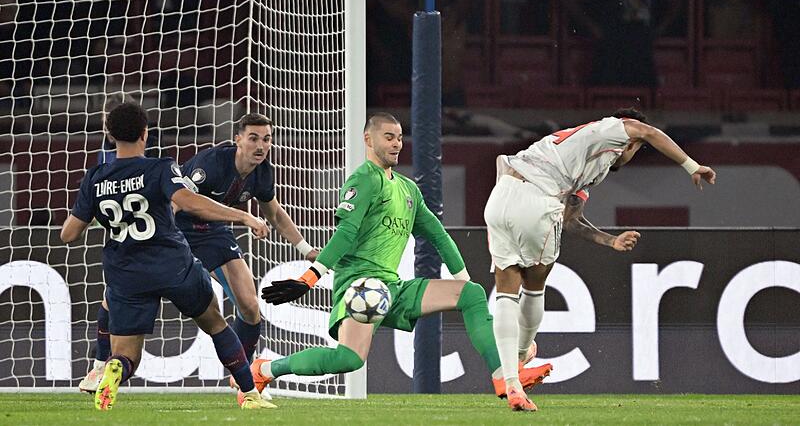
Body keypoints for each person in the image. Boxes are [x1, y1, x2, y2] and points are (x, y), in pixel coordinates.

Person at [260, 113, 553, 412]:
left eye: (399, 137)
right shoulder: (363, 180)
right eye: (388, 137)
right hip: (361, 288)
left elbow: (439, 237)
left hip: (392, 287)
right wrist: (310, 278)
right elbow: (345, 234)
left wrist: (462, 280)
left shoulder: (408, 189)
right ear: (368, 139)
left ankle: (506, 378)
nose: (397, 144)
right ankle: (266, 370)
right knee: (348, 360)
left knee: (473, 293)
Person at [484, 108, 716, 412]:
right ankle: (521, 356)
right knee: (534, 284)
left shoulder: (586, 158)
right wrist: (692, 166)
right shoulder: (611, 130)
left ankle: (511, 377)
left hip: (501, 196)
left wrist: (612, 240)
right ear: (630, 141)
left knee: (505, 288)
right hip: (538, 198)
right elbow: (646, 130)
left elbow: (571, 220)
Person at [79, 112, 318, 393]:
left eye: (267, 139)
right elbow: (179, 203)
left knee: (251, 307)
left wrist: (306, 249)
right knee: (113, 296)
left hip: (213, 232)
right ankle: (98, 367)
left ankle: (245, 374)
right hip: (174, 232)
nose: (261, 146)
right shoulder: (210, 164)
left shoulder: (263, 172)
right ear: (237, 139)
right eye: (253, 138)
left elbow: (274, 213)